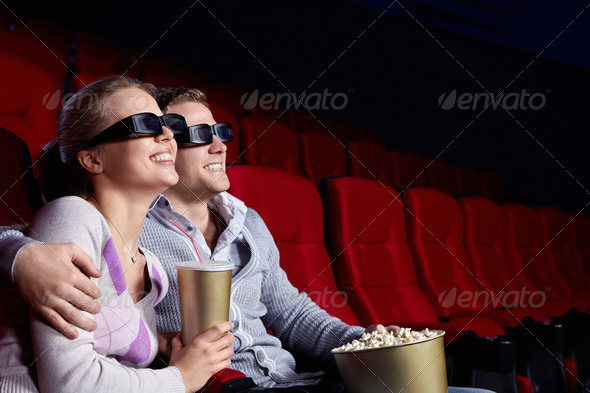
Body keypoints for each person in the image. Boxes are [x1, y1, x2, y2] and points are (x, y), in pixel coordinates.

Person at [0, 86, 495, 393]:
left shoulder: (160, 258)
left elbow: (293, 313)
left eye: (221, 129)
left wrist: (371, 346)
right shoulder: (102, 219)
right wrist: (16, 252)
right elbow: (77, 372)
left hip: (288, 377)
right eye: (180, 130)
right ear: (93, 159)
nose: (218, 143)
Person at [0, 77, 235, 393]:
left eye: (167, 125)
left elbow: (113, 349)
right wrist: (183, 377)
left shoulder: (149, 267)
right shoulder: (73, 215)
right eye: (144, 125)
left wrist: (166, 345)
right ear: (93, 159)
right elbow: (70, 384)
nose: (167, 135)